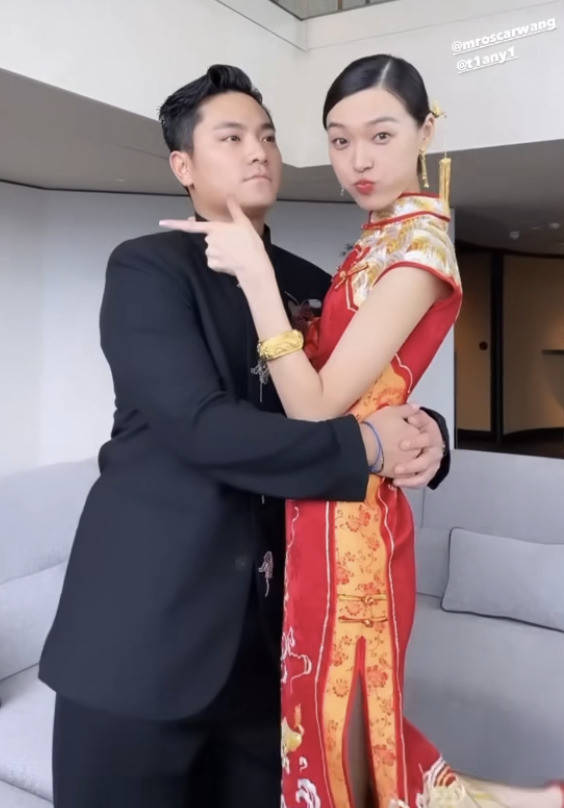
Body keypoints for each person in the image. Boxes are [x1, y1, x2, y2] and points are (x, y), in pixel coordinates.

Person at [39, 64, 451, 808]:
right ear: (184, 167)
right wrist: (367, 449)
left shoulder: (311, 281)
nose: (258, 150)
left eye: (267, 135)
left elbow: (366, 386)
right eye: (231, 138)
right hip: (143, 635)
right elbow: (199, 428)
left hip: (275, 649)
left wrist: (429, 435)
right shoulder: (147, 269)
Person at [165, 56, 564, 808]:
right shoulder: (374, 242)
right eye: (340, 140)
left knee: (341, 738)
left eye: (381, 135)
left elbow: (318, 408)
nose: (359, 161)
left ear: (426, 131)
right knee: (322, 729)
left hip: (351, 524)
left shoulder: (418, 248)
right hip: (316, 510)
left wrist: (255, 276)